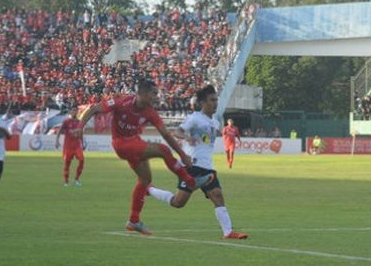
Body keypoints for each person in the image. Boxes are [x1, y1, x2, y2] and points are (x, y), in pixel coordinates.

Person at [74, 79, 213, 235]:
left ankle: (134, 220)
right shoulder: (121, 102)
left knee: (145, 180)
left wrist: (182, 155)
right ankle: (190, 181)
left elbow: (166, 134)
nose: (156, 97)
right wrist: (80, 127)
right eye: (153, 94)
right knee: (163, 150)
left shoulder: (150, 111)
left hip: (135, 142)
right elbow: (93, 109)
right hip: (121, 144)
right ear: (142, 94)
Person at [146, 86, 248, 239]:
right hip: (191, 166)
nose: (215, 103)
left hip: (207, 166)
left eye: (216, 100)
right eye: (212, 100)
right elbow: (177, 132)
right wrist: (187, 137)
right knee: (178, 202)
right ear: (202, 102)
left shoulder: (215, 122)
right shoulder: (194, 118)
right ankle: (150, 190)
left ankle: (228, 232)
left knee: (217, 195)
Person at [56, 108, 85, 186]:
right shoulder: (66, 122)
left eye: (76, 111)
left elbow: (81, 133)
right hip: (68, 147)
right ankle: (66, 181)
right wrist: (57, 141)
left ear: (77, 112)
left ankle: (77, 179)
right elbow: (59, 130)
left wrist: (82, 143)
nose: (74, 112)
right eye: (73, 111)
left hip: (77, 146)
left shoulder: (80, 122)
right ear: (70, 112)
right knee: (67, 164)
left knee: (82, 160)